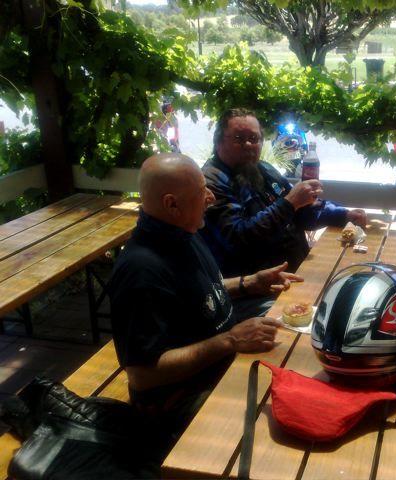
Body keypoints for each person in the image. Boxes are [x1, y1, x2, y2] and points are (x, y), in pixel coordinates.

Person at [108, 153, 300, 459]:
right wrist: (231, 340)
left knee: (295, 361)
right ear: (172, 204)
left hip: (220, 363)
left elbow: (197, 291)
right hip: (178, 402)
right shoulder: (141, 270)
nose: (211, 197)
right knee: (277, 434)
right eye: (201, 191)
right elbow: (143, 374)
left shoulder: (182, 232)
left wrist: (250, 282)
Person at [199, 108, 367, 316]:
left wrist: (342, 215)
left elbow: (301, 213)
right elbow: (238, 239)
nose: (248, 144)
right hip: (255, 291)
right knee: (327, 317)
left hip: (295, 275)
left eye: (254, 138)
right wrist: (289, 203)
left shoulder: (263, 169)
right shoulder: (212, 182)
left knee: (355, 291)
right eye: (239, 138)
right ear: (218, 142)